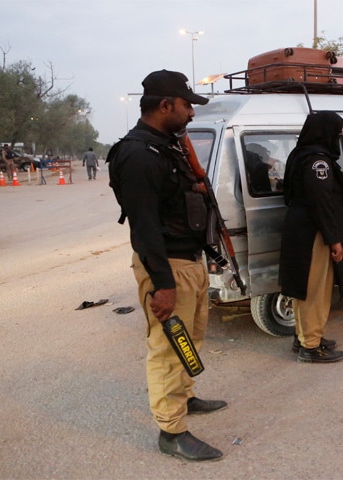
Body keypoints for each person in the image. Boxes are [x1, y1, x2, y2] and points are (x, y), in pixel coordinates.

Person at [107, 70, 226, 462]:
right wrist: (163, 284)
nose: (191, 112)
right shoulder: (139, 154)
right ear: (165, 106)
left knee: (190, 339)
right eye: (187, 104)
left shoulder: (166, 145)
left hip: (187, 261)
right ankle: (171, 432)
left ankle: (185, 397)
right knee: (169, 349)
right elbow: (143, 227)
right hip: (167, 266)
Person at [279, 111, 343, 363]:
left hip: (301, 229)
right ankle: (311, 347)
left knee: (304, 288)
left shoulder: (299, 154)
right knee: (315, 290)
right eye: (337, 132)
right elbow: (320, 202)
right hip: (314, 233)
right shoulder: (318, 162)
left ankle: (304, 336)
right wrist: (334, 239)